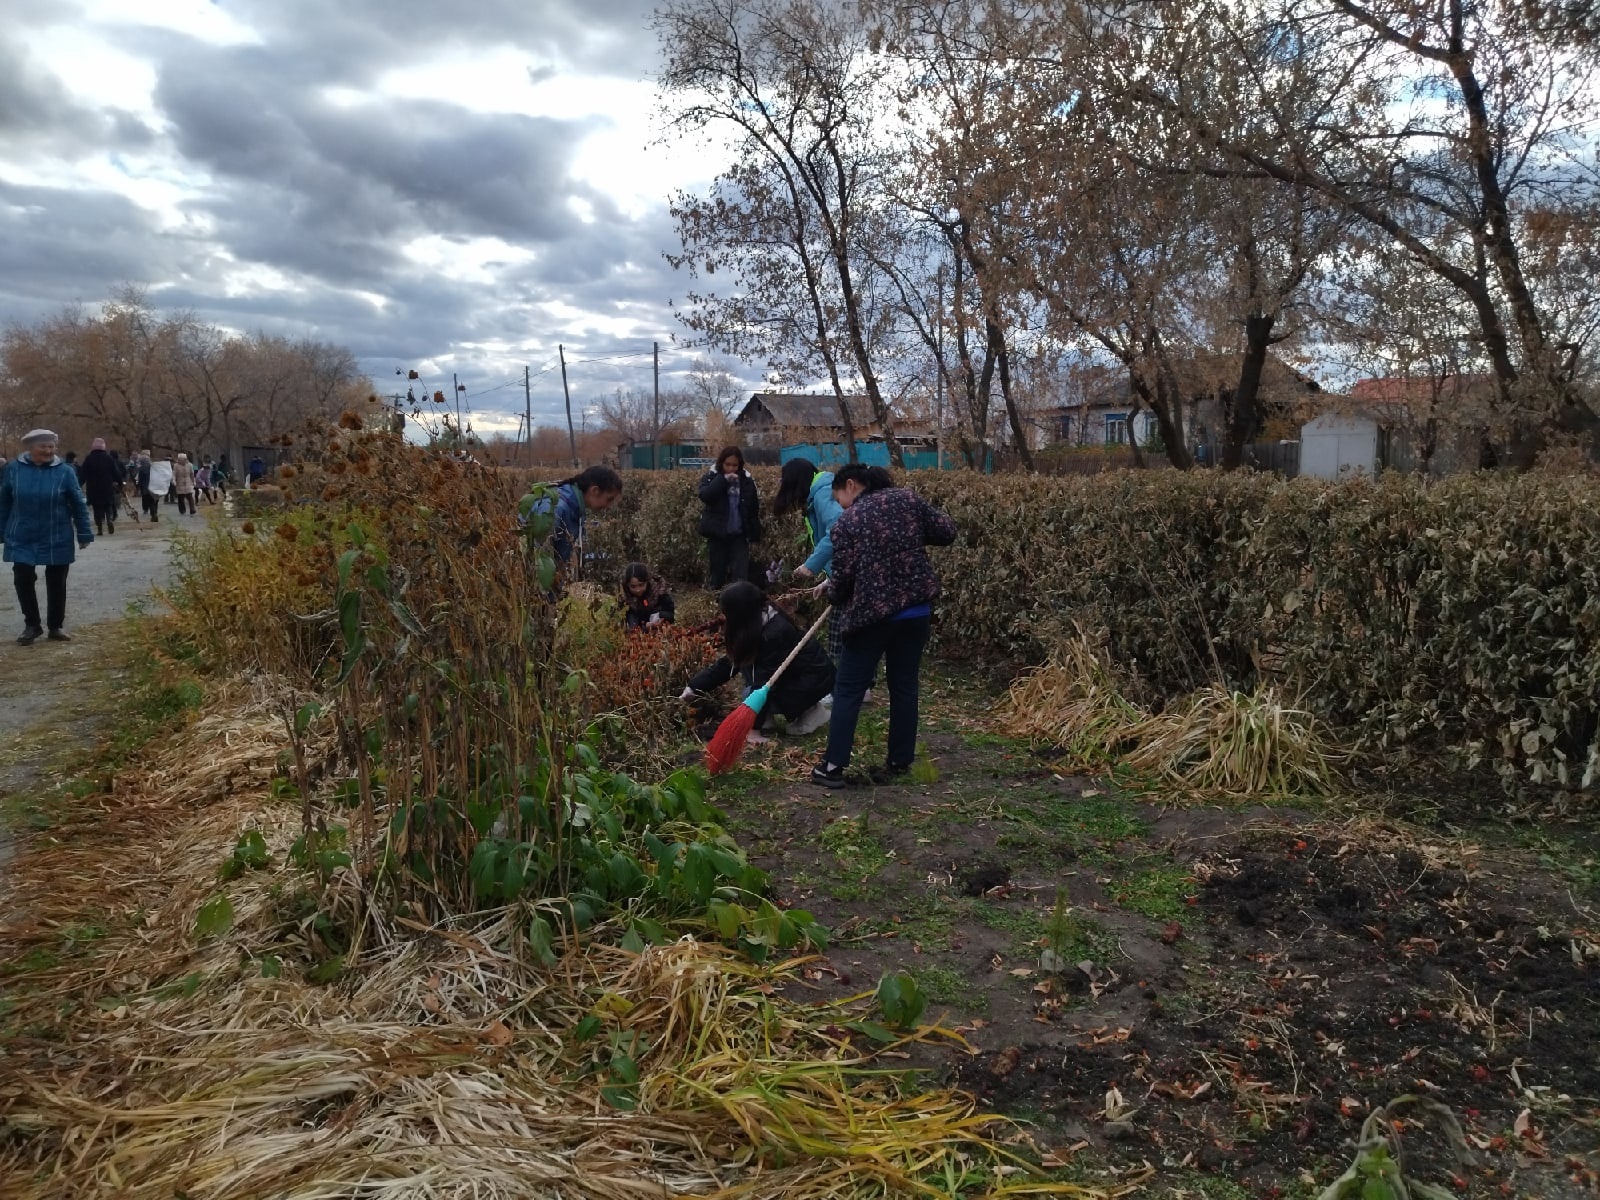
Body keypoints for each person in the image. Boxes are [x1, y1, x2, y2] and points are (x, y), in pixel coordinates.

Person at [811, 464, 956, 788]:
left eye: (839, 498)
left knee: (848, 688)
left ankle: (832, 767)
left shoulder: (849, 521)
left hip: (872, 618)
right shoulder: (907, 500)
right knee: (904, 685)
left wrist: (832, 592)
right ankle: (900, 761)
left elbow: (845, 578)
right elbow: (946, 531)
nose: (840, 506)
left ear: (850, 485)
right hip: (915, 612)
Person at [684, 581, 834, 739]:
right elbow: (730, 663)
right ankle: (768, 714)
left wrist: (753, 730)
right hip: (791, 679)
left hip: (813, 680)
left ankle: (813, 712)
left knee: (753, 693)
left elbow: (765, 682)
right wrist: (694, 686)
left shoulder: (774, 633)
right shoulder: (754, 624)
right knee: (748, 691)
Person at [0, 429, 94, 644]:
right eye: (43, 446)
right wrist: (1, 529)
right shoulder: (14, 469)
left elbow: (78, 503)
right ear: (30, 448)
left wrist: (84, 532)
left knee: (57, 580)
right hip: (22, 532)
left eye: (52, 447)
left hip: (57, 532)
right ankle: (32, 625)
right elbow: (4, 500)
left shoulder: (65, 471)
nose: (49, 451)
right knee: (22, 577)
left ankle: (55, 626)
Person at [522, 465, 623, 576]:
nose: (609, 505)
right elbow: (537, 556)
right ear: (595, 490)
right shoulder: (555, 509)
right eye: (609, 499)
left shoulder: (576, 507)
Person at [697, 446, 762, 589]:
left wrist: (754, 536)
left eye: (735, 465)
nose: (731, 469)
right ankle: (716, 604)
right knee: (717, 576)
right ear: (721, 463)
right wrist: (722, 480)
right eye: (728, 465)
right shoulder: (711, 477)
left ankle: (739, 606)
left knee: (740, 577)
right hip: (718, 534)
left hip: (739, 535)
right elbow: (706, 496)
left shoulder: (746, 481)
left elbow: (753, 509)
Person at [78, 437, 122, 535]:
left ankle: (100, 528)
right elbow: (116, 472)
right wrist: (120, 483)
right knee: (108, 505)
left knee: (97, 508)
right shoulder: (108, 458)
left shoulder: (89, 458)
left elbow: (83, 474)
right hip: (107, 487)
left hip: (93, 488)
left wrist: (78, 485)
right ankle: (109, 518)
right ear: (103, 447)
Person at [620, 562, 675, 630]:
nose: (638, 590)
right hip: (638, 630)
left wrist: (659, 617)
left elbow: (671, 615)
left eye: (641, 585)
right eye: (633, 586)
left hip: (660, 628)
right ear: (627, 585)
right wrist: (643, 627)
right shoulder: (623, 597)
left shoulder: (660, 591)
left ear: (647, 581)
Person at [136, 451, 159, 522]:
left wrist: (139, 488)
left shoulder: (141, 469)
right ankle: (155, 512)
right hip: (155, 486)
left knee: (150, 501)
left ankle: (153, 514)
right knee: (155, 500)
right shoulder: (154, 467)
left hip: (146, 487)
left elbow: (140, 480)